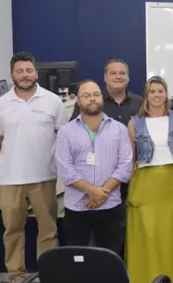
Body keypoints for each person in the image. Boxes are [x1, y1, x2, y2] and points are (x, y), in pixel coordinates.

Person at [0, 52, 67, 283]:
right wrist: (17, 151)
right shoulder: (1, 104)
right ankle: (16, 275)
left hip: (44, 175)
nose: (24, 75)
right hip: (12, 178)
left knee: (48, 229)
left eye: (28, 70)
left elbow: (61, 135)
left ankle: (49, 274)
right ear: (12, 75)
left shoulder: (53, 101)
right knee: (12, 230)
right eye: (19, 71)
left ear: (36, 72)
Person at [126, 76, 173, 283]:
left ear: (166, 94)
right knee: (147, 234)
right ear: (146, 95)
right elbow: (130, 157)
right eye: (152, 91)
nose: (156, 95)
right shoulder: (134, 123)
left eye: (160, 90)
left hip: (171, 180)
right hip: (145, 181)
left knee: (170, 234)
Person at [56, 80, 133, 254]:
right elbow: (65, 170)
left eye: (96, 94)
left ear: (102, 98)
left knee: (111, 259)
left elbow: (125, 166)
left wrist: (101, 193)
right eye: (86, 95)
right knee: (79, 260)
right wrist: (92, 191)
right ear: (78, 101)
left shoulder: (119, 129)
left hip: (110, 206)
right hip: (78, 206)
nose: (92, 99)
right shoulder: (66, 132)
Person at [70, 58, 142, 125]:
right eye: (113, 73)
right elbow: (73, 129)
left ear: (128, 78)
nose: (118, 76)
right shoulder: (89, 102)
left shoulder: (141, 103)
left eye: (122, 73)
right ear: (105, 77)